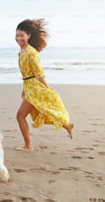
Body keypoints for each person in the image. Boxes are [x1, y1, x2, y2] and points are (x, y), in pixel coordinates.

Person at [15, 19, 74, 151]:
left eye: (22, 35)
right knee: (42, 112)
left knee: (21, 116)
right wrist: (24, 89)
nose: (19, 38)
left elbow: (39, 73)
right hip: (29, 87)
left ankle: (28, 145)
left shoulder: (31, 52)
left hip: (36, 89)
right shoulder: (21, 52)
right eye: (17, 35)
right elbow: (26, 75)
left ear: (29, 36)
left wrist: (47, 88)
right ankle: (67, 125)